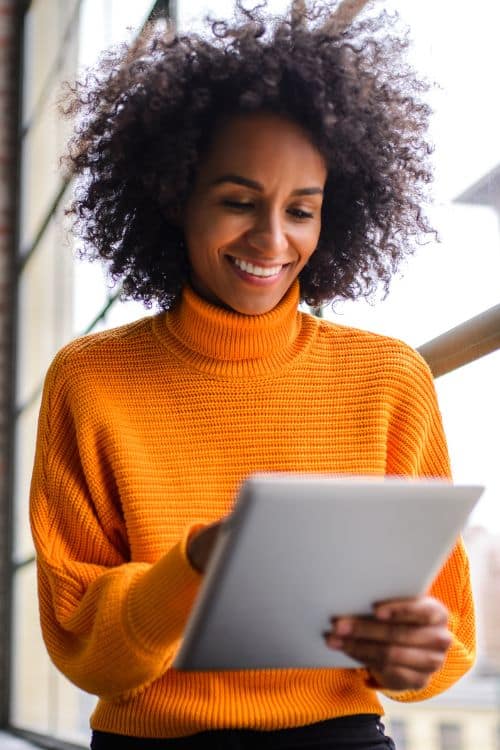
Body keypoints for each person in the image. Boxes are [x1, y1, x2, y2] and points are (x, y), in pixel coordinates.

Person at [29, 2, 475, 748]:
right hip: (153, 740)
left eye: (302, 210)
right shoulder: (91, 380)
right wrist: (197, 563)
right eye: (239, 201)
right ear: (174, 195)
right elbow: (88, 651)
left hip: (338, 734)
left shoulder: (389, 378)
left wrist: (412, 655)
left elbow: (441, 636)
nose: (272, 240)